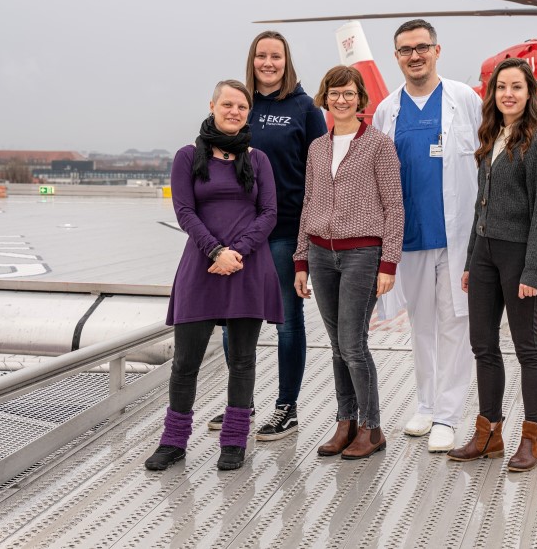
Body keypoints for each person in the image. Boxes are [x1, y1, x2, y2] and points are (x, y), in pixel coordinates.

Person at [145, 80, 283, 472]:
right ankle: (173, 442)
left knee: (242, 360)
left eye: (241, 106)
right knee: (185, 362)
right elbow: (185, 211)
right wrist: (217, 250)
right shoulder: (188, 156)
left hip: (247, 266)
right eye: (228, 104)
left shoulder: (258, 160)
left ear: (247, 112)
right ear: (212, 106)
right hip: (202, 267)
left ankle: (234, 442)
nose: (235, 111)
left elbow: (269, 213)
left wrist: (237, 251)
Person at [206, 31, 326, 440]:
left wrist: (309, 237)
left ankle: (286, 407)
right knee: (232, 322)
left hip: (285, 230)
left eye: (276, 56)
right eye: (261, 56)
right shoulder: (242, 104)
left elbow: (320, 173)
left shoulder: (305, 109)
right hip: (238, 235)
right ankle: (242, 403)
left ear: (286, 60)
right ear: (252, 60)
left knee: (287, 321)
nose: (268, 63)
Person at [371, 19, 481, 453]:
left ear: (437, 50)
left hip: (456, 235)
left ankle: (448, 416)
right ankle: (426, 403)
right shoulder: (387, 110)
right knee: (420, 326)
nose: (414, 55)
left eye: (422, 47)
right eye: (405, 49)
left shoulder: (464, 100)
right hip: (409, 235)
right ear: (396, 56)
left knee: (456, 323)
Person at [446, 58, 537, 472]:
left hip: (519, 257)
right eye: (501, 87)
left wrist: (533, 271)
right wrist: (471, 259)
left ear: (529, 93)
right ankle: (489, 432)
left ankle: (533, 438)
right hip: (485, 256)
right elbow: (482, 205)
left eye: (516, 87)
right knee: (483, 345)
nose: (507, 94)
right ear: (493, 94)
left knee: (527, 347)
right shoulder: (491, 135)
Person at [293, 65, 404, 459]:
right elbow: (309, 204)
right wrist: (301, 260)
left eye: (350, 93)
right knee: (338, 346)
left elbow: (394, 206)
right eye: (335, 93)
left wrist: (388, 263)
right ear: (325, 97)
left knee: (353, 344)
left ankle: (372, 429)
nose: (342, 100)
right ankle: (347, 422)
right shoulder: (317, 148)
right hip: (321, 254)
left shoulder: (378, 144)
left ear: (361, 99)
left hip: (362, 254)